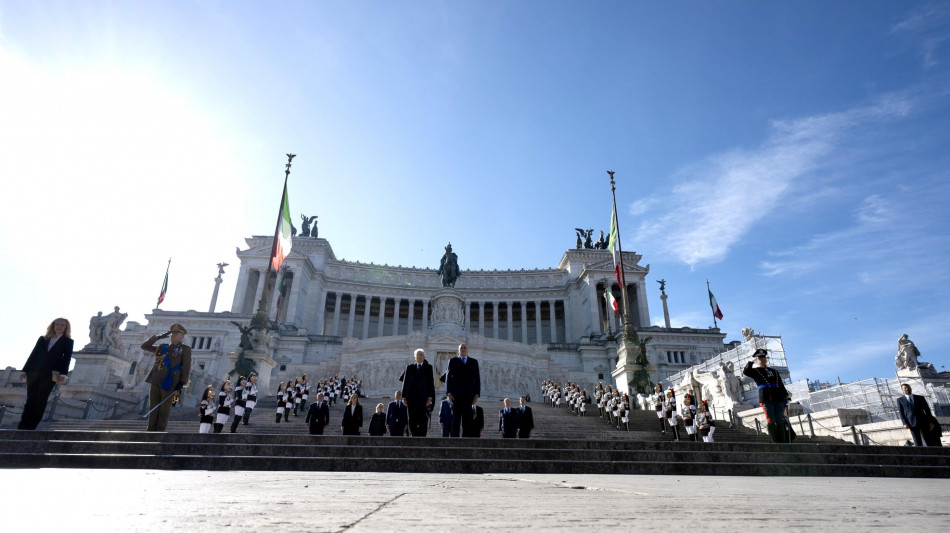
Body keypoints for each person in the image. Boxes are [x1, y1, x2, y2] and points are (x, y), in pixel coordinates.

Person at [17, 318, 74, 430]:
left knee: (41, 400)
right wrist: (24, 371)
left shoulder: (68, 342)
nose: (59, 326)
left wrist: (63, 374)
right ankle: (22, 426)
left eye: (62, 325)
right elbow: (33, 355)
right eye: (57, 324)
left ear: (66, 328)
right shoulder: (43, 339)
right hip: (33, 373)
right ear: (53, 325)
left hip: (50, 374)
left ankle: (32, 426)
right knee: (30, 399)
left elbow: (66, 359)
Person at [142, 324, 192, 432]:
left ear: (182, 336)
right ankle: (151, 429)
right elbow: (144, 346)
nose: (173, 335)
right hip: (156, 379)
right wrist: (158, 337)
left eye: (176, 333)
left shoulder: (185, 349)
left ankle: (160, 429)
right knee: (153, 406)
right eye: (172, 333)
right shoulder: (162, 347)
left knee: (164, 408)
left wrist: (182, 382)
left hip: (170, 381)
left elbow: (186, 366)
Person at [743, 348, 789, 444]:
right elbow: (746, 372)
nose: (762, 359)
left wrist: (786, 397)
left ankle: (783, 442)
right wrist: (751, 361)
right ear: (757, 360)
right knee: (771, 419)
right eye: (760, 358)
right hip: (766, 397)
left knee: (780, 419)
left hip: (778, 397)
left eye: (763, 357)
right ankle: (775, 442)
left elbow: (780, 385)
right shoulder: (756, 371)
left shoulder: (774, 371)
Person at [446, 343, 480, 438]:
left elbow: (477, 379)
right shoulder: (452, 361)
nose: (463, 349)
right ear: (458, 350)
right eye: (461, 348)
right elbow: (448, 378)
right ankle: (455, 439)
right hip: (456, 395)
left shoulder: (474, 362)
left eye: (465, 348)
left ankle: (466, 440)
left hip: (469, 396)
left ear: (467, 350)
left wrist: (476, 395)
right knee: (455, 419)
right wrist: (449, 393)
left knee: (467, 420)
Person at [401, 348, 435, 437]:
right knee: (411, 417)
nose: (419, 356)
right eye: (417, 354)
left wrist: (430, 397)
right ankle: (413, 435)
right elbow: (405, 382)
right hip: (411, 397)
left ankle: (422, 436)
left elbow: (430, 383)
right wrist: (404, 397)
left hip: (423, 397)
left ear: (424, 357)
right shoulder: (409, 367)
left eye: (421, 354)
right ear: (414, 357)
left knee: (423, 418)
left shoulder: (429, 367)